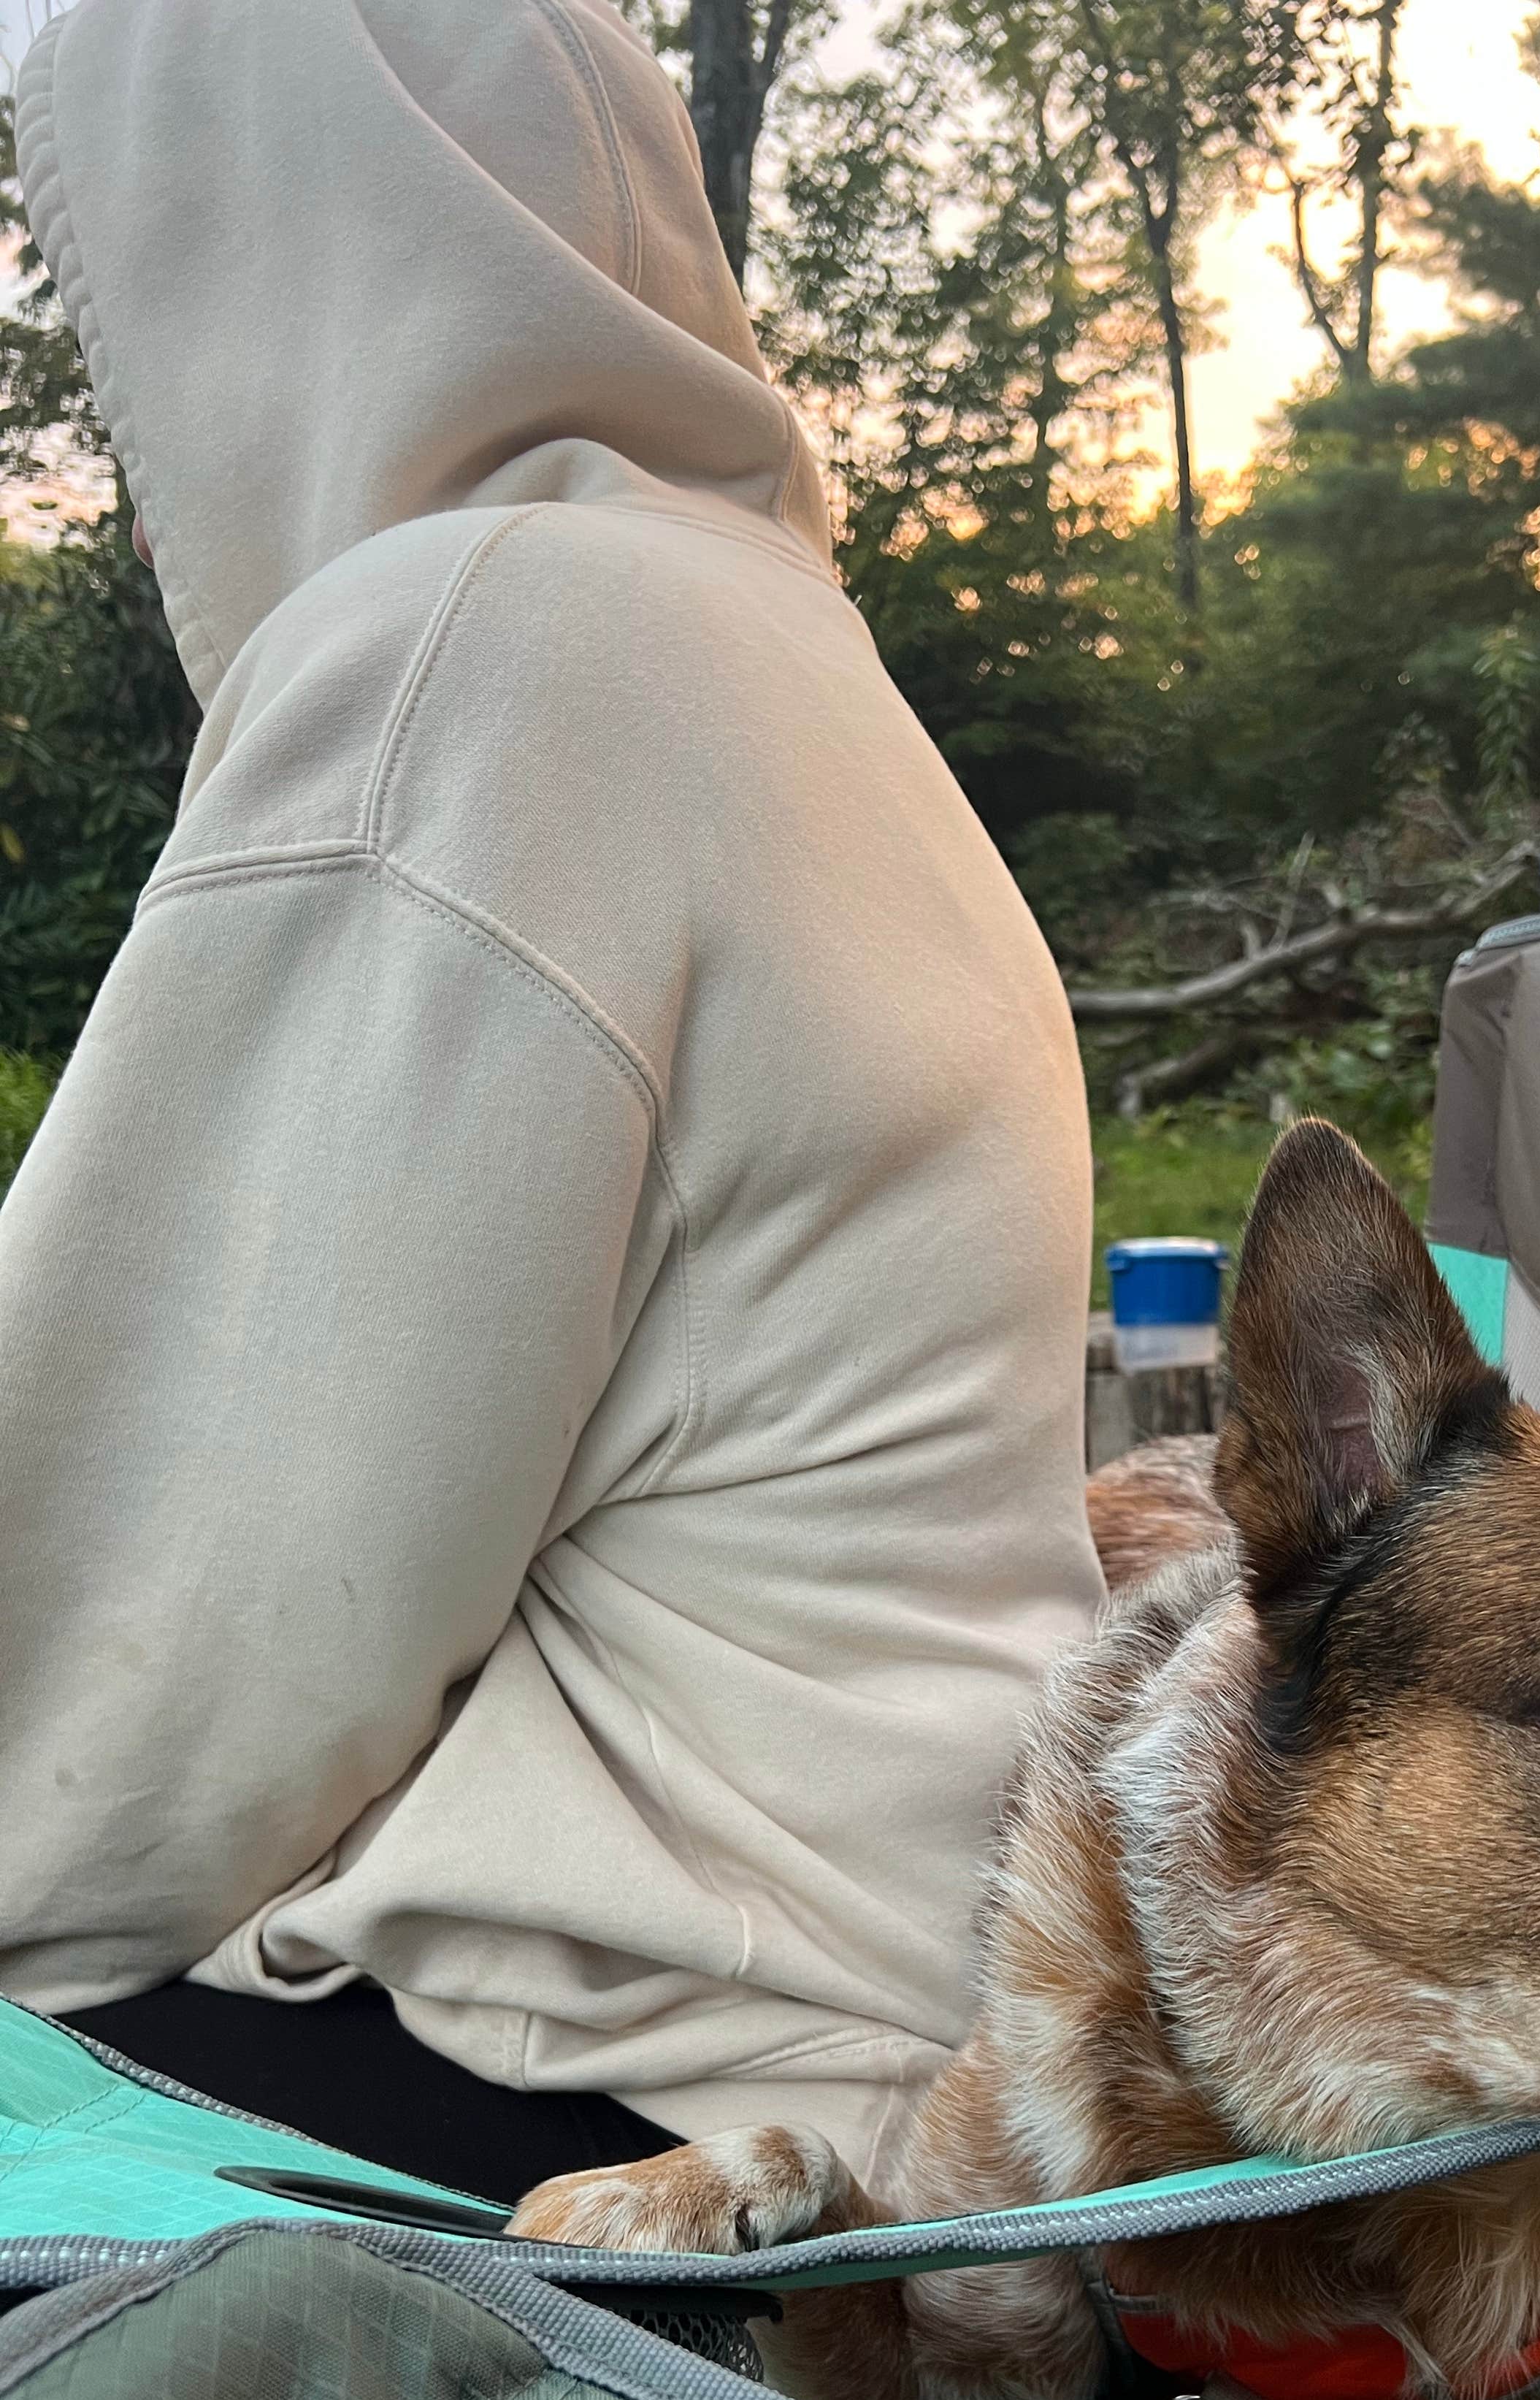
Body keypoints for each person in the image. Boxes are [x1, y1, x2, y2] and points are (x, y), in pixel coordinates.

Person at [0, 0, 1103, 2202]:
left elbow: (147, 1673)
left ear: (245, 239)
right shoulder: (775, 647)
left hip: (643, 2107)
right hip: (912, 2028)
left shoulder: (484, 654)